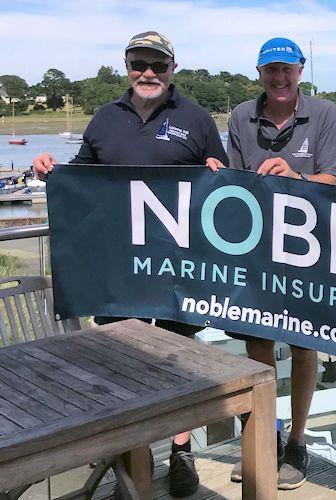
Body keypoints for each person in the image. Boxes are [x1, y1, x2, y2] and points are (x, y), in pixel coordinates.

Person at [32, 31, 227, 497]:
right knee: (124, 362)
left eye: (158, 65)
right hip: (120, 266)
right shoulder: (103, 119)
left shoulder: (196, 118)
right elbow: (81, 179)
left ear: (171, 69)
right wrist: (49, 170)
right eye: (140, 63)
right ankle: (132, 460)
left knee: (181, 362)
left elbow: (221, 180)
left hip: (180, 265)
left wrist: (220, 173)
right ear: (126, 65)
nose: (148, 73)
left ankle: (182, 452)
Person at [205, 36, 336, 490]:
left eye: (287, 69)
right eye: (272, 70)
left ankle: (298, 442)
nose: (280, 78)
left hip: (308, 251)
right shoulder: (241, 116)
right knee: (259, 342)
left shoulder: (324, 113)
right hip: (257, 249)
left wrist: (297, 176)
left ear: (300, 71)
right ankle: (266, 434)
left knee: (305, 345)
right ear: (260, 73)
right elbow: (235, 181)